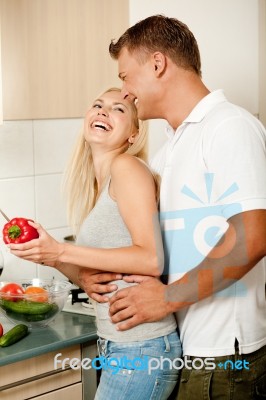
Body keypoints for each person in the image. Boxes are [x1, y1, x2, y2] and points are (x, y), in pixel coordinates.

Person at [77, 15, 266, 399]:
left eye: (127, 77)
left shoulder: (229, 126)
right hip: (183, 349)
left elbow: (255, 234)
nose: (126, 93)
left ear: (158, 64)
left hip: (224, 360)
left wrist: (165, 298)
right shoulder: (170, 149)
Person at [9, 87, 181, 400]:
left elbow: (151, 259)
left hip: (141, 348)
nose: (102, 111)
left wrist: (61, 250)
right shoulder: (100, 185)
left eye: (119, 109)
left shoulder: (126, 168)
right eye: (98, 105)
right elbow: (101, 275)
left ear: (133, 134)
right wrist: (51, 257)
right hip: (122, 345)